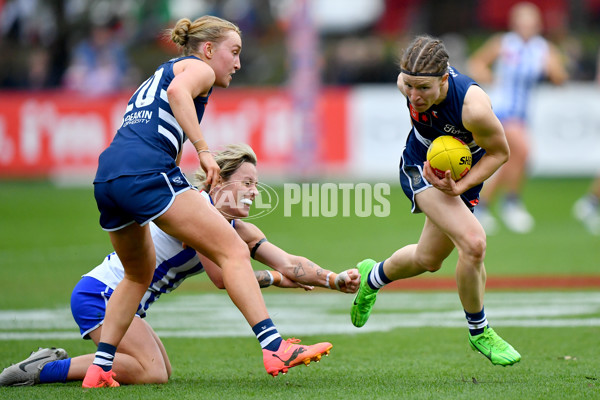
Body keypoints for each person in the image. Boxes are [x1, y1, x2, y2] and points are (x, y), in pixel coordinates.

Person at [82, 16, 334, 388]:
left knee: (138, 273)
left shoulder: (159, 74)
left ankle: (100, 368)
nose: (237, 62)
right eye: (233, 52)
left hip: (107, 177)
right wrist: (203, 150)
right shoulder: (197, 68)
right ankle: (274, 345)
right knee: (233, 250)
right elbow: (179, 95)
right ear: (209, 49)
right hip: (146, 172)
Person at [0, 144, 360, 386]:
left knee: (162, 371)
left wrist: (334, 278)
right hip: (101, 295)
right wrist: (277, 278)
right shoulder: (197, 213)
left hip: (121, 301)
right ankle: (42, 370)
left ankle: (55, 362)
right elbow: (223, 278)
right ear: (219, 181)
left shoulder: (237, 227)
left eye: (256, 184)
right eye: (246, 183)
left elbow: (290, 262)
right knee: (151, 372)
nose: (254, 192)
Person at [350, 35, 521, 366]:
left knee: (428, 259)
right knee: (474, 243)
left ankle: (372, 277)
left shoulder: (473, 109)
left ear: (444, 79)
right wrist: (448, 183)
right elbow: (409, 83)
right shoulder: (406, 83)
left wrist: (462, 186)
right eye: (410, 86)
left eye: (424, 88)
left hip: (460, 180)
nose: (415, 96)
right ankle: (479, 331)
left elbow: (501, 153)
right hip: (419, 169)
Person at [467, 2, 568, 234]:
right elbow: (476, 63)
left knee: (510, 158)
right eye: (522, 21)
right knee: (522, 150)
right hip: (501, 108)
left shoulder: (543, 49)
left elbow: (559, 78)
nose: (526, 26)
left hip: (523, 113)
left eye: (530, 22)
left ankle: (482, 204)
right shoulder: (503, 44)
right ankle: (511, 202)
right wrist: (489, 77)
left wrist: (555, 67)